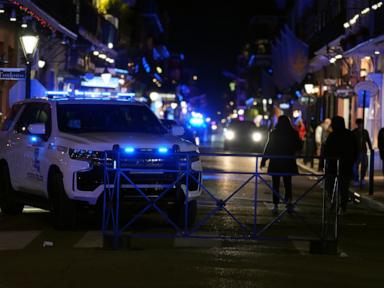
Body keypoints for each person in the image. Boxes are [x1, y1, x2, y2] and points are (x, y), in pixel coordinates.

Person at [260, 115, 303, 213]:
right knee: (287, 183)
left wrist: (264, 160)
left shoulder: (274, 133)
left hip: (276, 161)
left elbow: (269, 147)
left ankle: (275, 204)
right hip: (288, 161)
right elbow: (299, 146)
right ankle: (288, 202)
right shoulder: (293, 133)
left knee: (276, 184)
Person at [324, 116, 358, 213]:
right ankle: (342, 207)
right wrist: (352, 161)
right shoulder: (350, 134)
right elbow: (355, 149)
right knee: (344, 187)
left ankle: (333, 203)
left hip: (333, 165)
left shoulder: (332, 135)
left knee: (330, 186)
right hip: (346, 165)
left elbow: (327, 150)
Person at [352, 118, 373, 186]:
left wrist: (371, 148)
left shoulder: (365, 132)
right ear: (357, 124)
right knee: (355, 166)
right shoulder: (354, 132)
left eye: (361, 123)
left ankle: (362, 178)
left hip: (363, 151)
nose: (360, 125)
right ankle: (356, 179)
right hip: (356, 152)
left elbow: (368, 141)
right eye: (359, 124)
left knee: (365, 165)